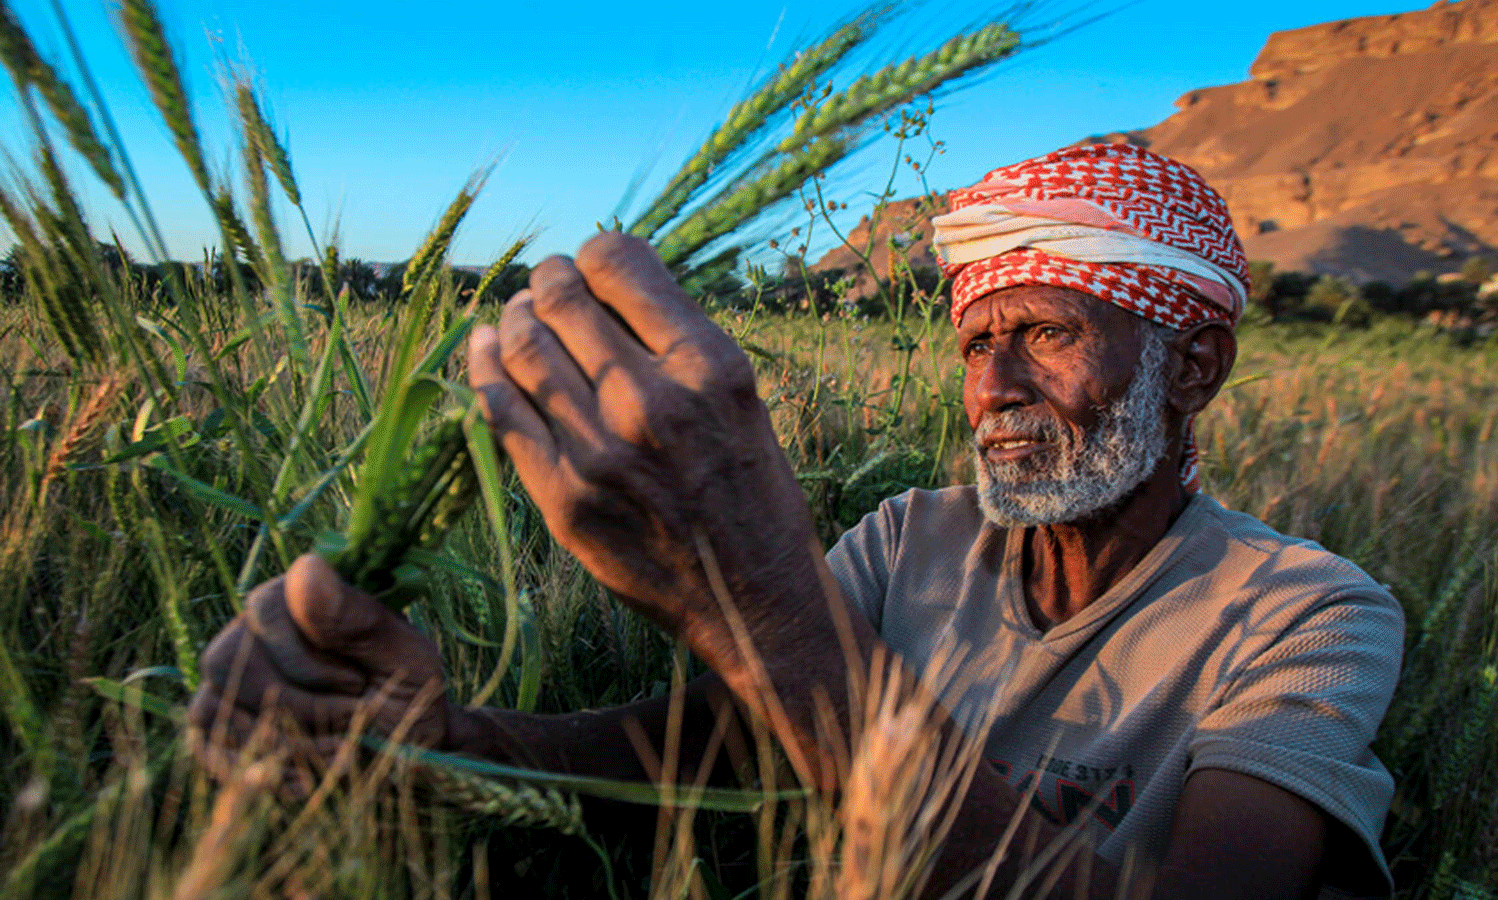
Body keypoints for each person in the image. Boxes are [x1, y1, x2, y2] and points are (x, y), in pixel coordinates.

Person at [189, 143, 1404, 899]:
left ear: (1193, 364)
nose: (991, 389)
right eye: (977, 344)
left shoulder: (1306, 614)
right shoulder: (909, 541)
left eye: (1044, 333)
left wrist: (762, 589)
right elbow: (710, 747)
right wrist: (437, 748)